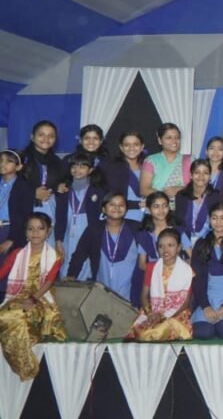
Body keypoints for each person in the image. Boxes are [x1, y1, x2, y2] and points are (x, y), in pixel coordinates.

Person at [0, 213, 66, 380]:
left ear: (48, 231)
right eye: (31, 229)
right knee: (4, 316)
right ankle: (26, 365)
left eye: (40, 229)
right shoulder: (17, 254)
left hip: (40, 300)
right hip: (17, 297)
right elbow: (2, 273)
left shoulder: (55, 256)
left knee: (16, 317)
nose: (35, 233)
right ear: (25, 232)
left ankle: (27, 367)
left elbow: (49, 282)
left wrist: (33, 299)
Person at [67, 193, 143, 304]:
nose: (117, 208)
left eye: (121, 205)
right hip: (101, 291)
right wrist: (71, 275)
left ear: (126, 209)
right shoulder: (94, 229)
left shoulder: (137, 228)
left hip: (130, 293)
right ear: (103, 209)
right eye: (112, 204)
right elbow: (80, 254)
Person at [126, 228, 193, 341]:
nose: (165, 250)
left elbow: (186, 302)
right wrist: (150, 314)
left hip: (177, 313)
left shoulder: (187, 270)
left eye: (170, 245)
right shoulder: (151, 267)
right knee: (140, 330)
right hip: (153, 311)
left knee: (159, 330)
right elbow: (144, 296)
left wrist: (163, 316)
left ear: (179, 247)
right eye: (161, 246)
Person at [191, 202, 223, 339]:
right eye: (214, 218)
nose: (218, 222)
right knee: (203, 333)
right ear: (209, 219)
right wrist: (206, 306)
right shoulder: (201, 244)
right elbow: (197, 279)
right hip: (206, 297)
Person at [53, 152, 104, 277]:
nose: (77, 169)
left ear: (90, 170)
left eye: (82, 166)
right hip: (67, 235)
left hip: (87, 232)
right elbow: (59, 218)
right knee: (65, 265)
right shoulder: (64, 190)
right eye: (74, 166)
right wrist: (58, 240)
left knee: (86, 265)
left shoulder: (97, 192)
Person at [174, 158, 223, 249]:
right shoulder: (181, 196)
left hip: (209, 243)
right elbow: (178, 224)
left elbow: (219, 226)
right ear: (190, 175)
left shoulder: (216, 197)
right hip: (184, 242)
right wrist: (187, 246)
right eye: (197, 172)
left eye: (205, 173)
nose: (201, 176)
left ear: (210, 176)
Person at [20, 121, 62, 222]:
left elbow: (62, 181)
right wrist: (31, 193)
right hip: (23, 208)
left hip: (49, 208)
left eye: (51, 136)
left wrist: (59, 187)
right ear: (32, 137)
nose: (46, 139)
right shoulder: (21, 159)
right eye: (41, 135)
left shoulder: (57, 161)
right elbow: (8, 185)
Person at [140, 123, 191, 206]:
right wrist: (165, 196)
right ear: (160, 140)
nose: (174, 141)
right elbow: (144, 190)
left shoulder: (189, 160)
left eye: (177, 137)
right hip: (158, 209)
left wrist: (182, 189)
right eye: (169, 138)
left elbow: (199, 187)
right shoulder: (150, 160)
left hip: (185, 208)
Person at [103, 131, 146, 223]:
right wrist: (138, 204)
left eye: (136, 144)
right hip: (121, 215)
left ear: (142, 147)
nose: (131, 148)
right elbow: (112, 197)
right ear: (121, 147)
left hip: (145, 215)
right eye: (127, 145)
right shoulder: (114, 167)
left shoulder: (147, 166)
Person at [0, 150, 33, 257]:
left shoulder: (24, 187)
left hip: (9, 229)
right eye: (1, 160)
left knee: (6, 263)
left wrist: (11, 239)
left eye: (8, 161)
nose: (3, 164)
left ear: (18, 167)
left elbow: (24, 216)